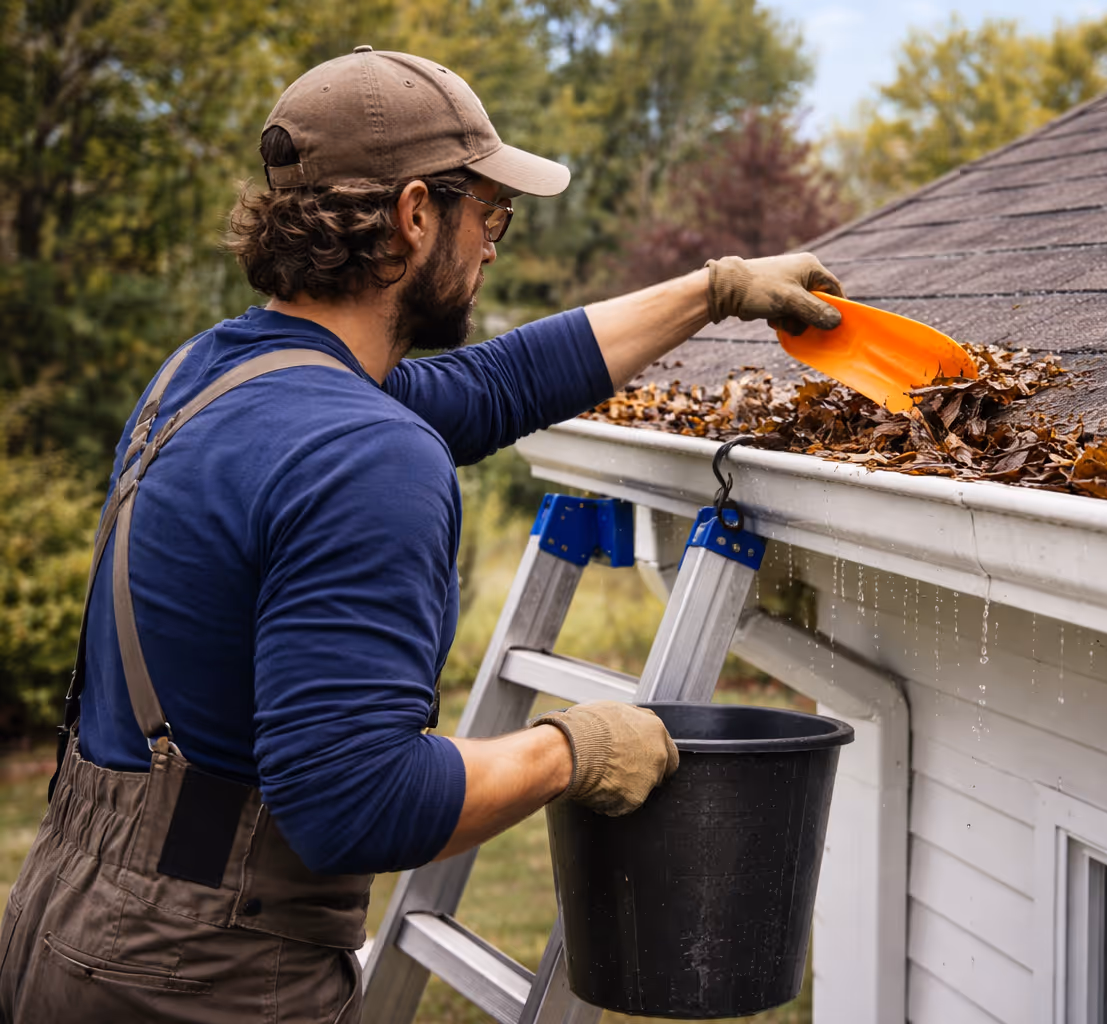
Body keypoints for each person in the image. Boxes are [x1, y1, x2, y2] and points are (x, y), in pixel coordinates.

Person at [0, 46, 844, 1023]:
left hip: (67, 915)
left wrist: (718, 289)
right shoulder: (366, 454)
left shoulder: (208, 377)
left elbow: (500, 385)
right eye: (489, 214)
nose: (493, 246)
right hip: (199, 979)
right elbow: (357, 802)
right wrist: (573, 748)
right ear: (413, 215)